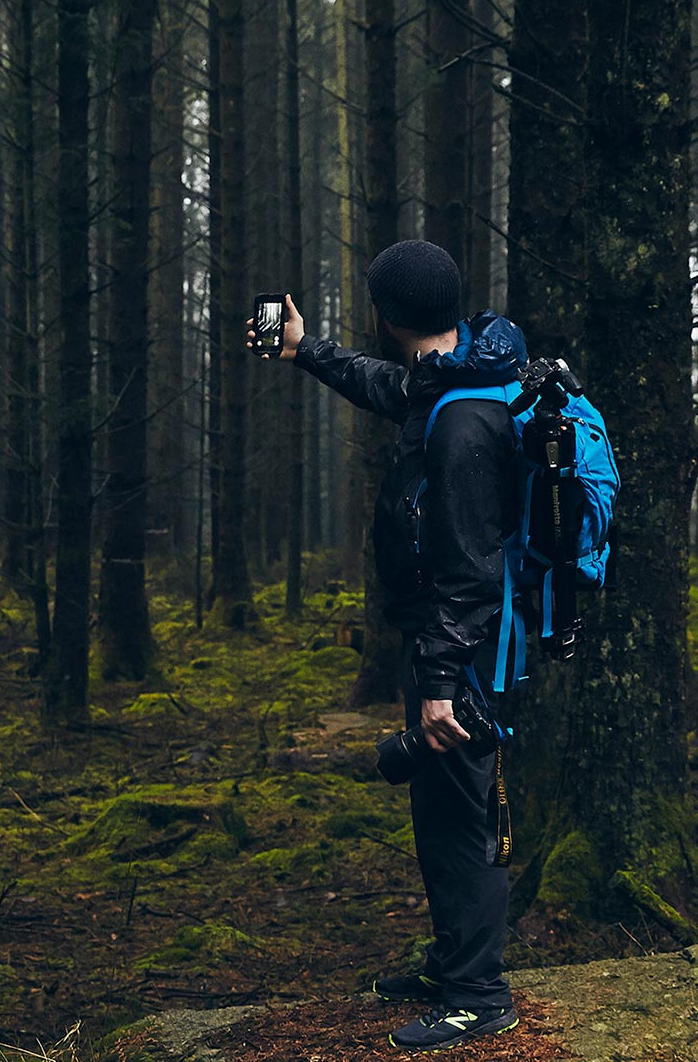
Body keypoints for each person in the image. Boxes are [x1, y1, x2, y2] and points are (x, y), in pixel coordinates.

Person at [246, 239, 523, 1053]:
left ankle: (479, 993)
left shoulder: (463, 420)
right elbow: (386, 385)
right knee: (439, 811)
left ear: (389, 314)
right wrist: (305, 352)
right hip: (451, 645)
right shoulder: (452, 379)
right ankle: (453, 963)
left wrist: (440, 681)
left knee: (461, 818)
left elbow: (470, 571)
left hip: (466, 652)